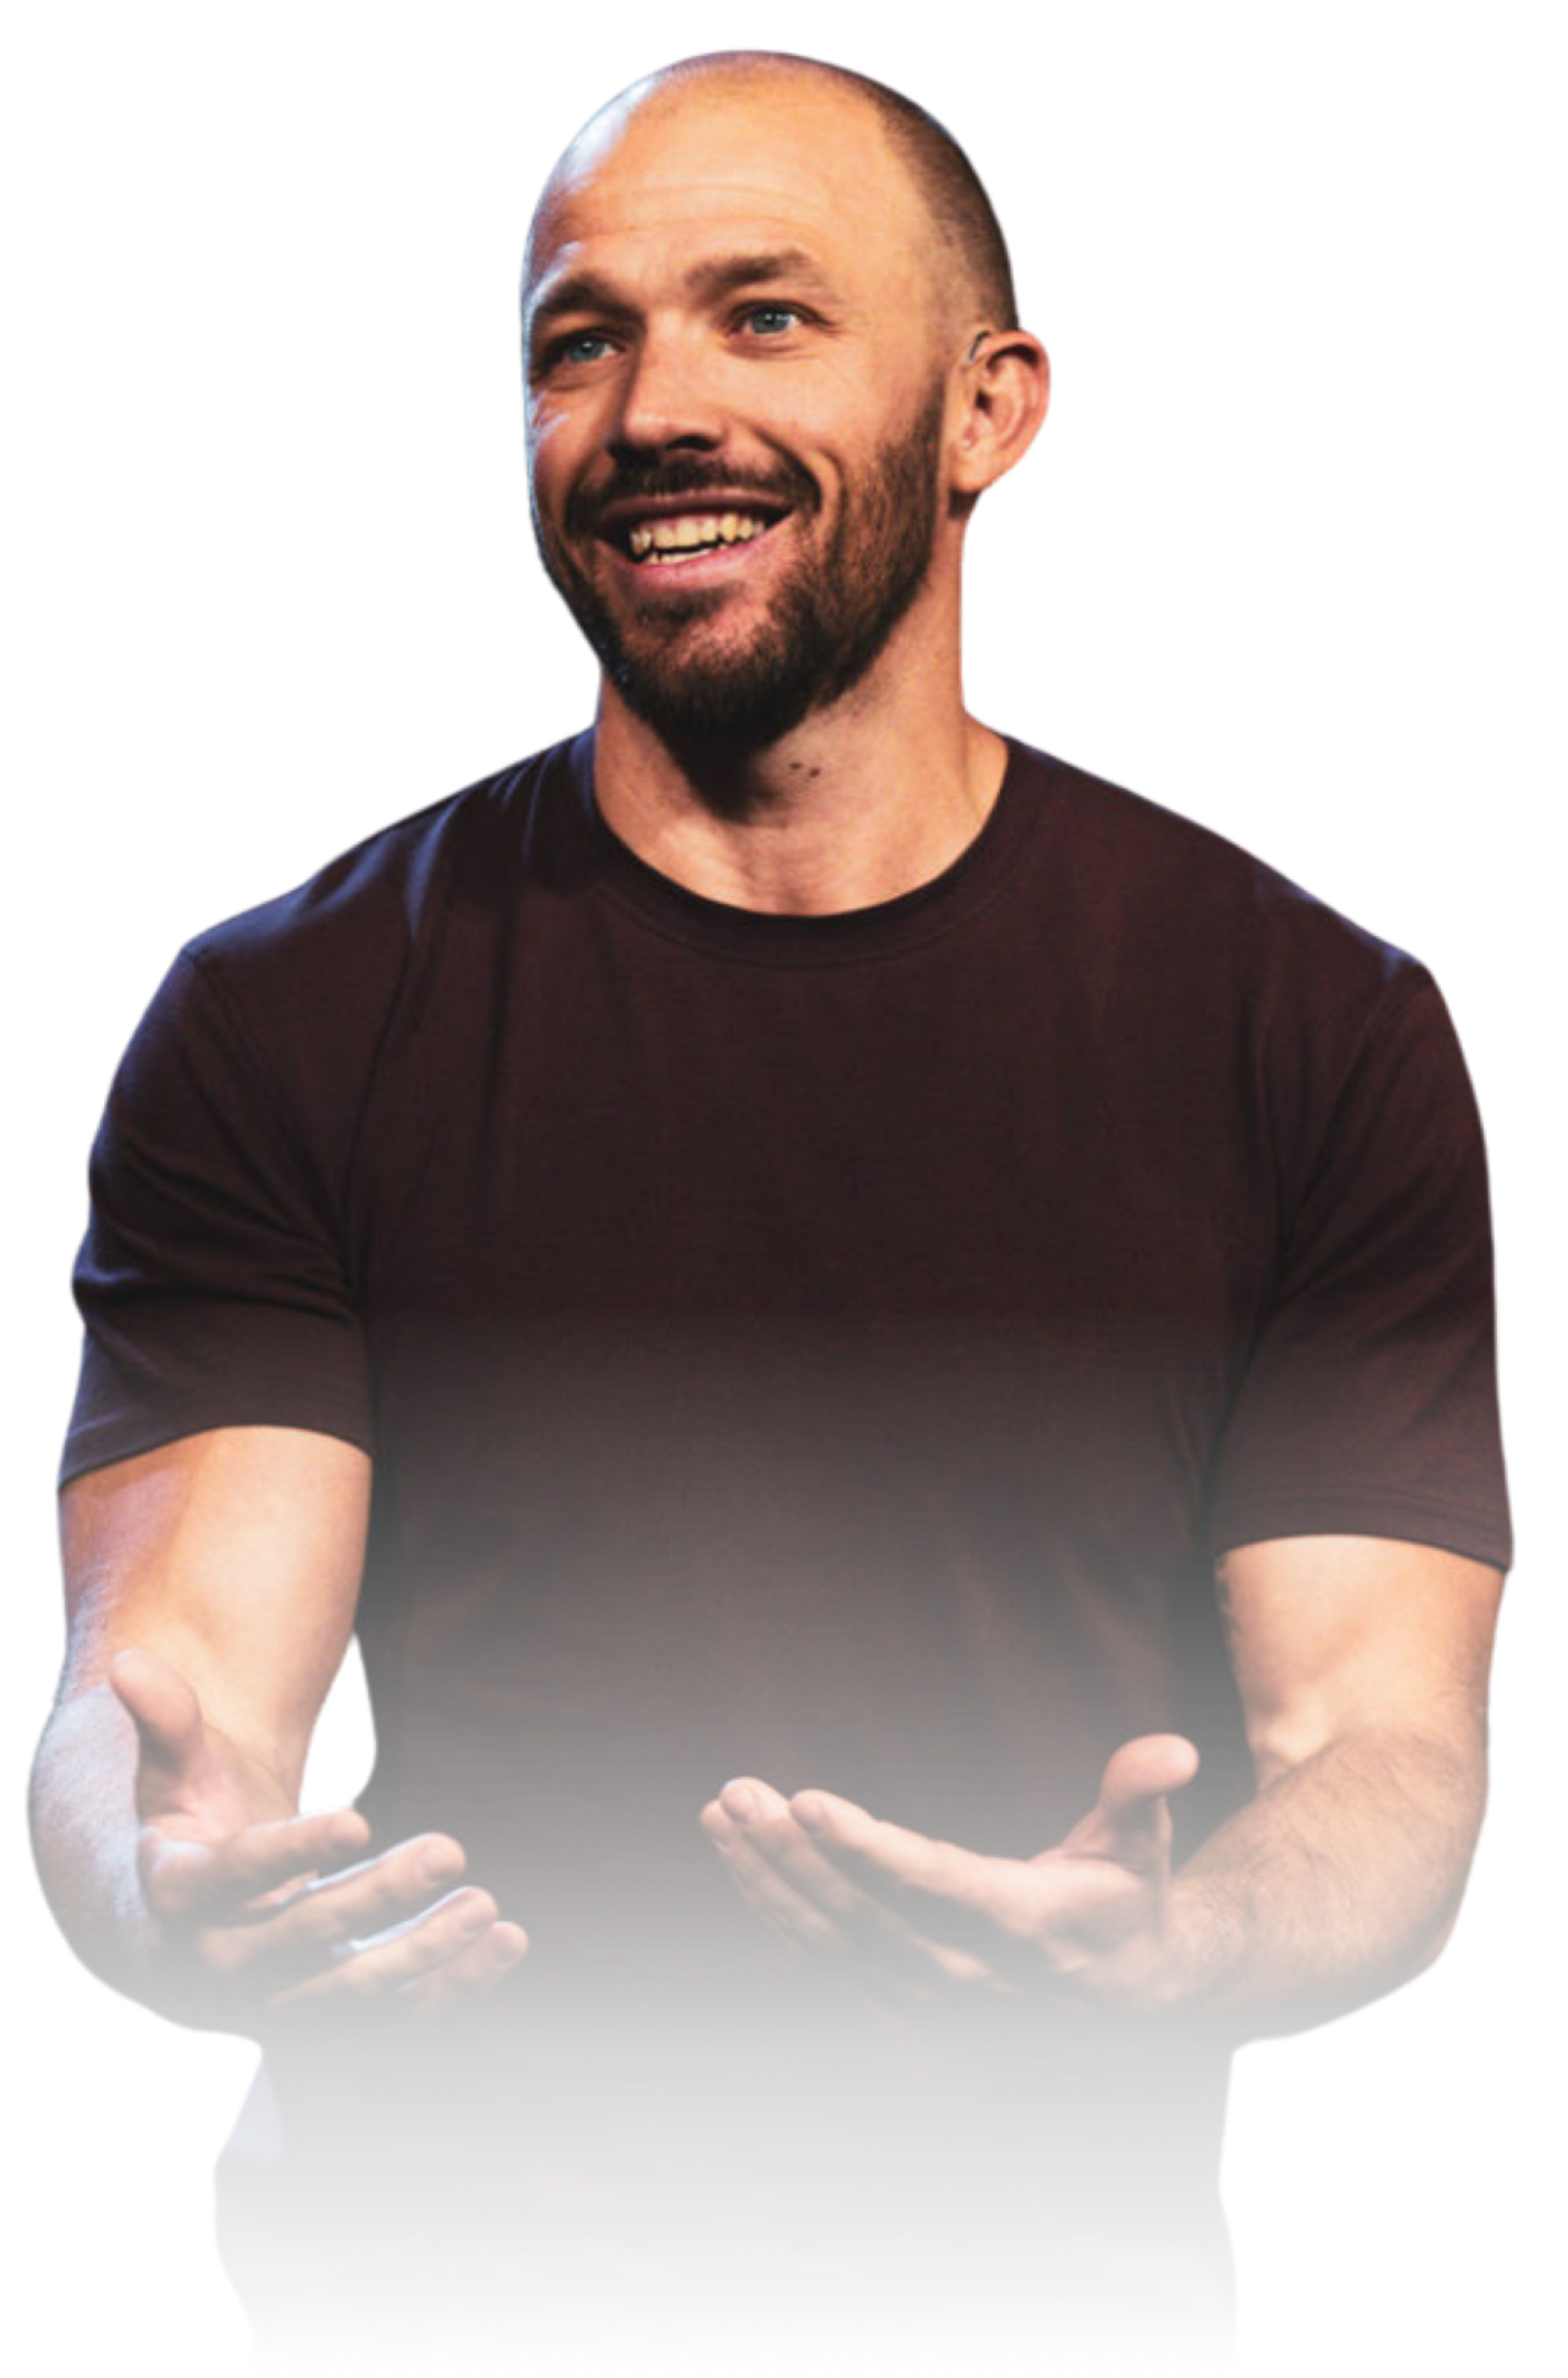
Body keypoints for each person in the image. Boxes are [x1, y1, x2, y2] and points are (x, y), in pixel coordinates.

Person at [29, 46, 1513, 2360]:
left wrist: (1182, 1944)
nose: (655, 412)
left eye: (768, 316)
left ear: (990, 409)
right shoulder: (286, 1015)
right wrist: (160, 1877)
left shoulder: (1305, 1029)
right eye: (579, 341)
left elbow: (1386, 1757)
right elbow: (161, 1699)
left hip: (1045, 2321)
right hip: (420, 2317)